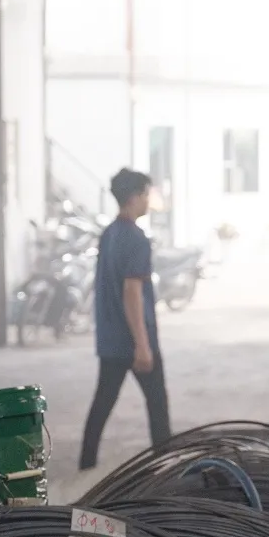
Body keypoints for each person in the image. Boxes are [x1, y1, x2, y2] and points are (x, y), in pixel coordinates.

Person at [79, 167, 170, 470]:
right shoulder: (136, 238)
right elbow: (132, 292)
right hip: (133, 340)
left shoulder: (109, 235)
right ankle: (166, 468)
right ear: (134, 197)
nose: (148, 200)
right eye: (145, 194)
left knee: (102, 404)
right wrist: (142, 344)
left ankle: (86, 465)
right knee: (157, 406)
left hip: (110, 340)